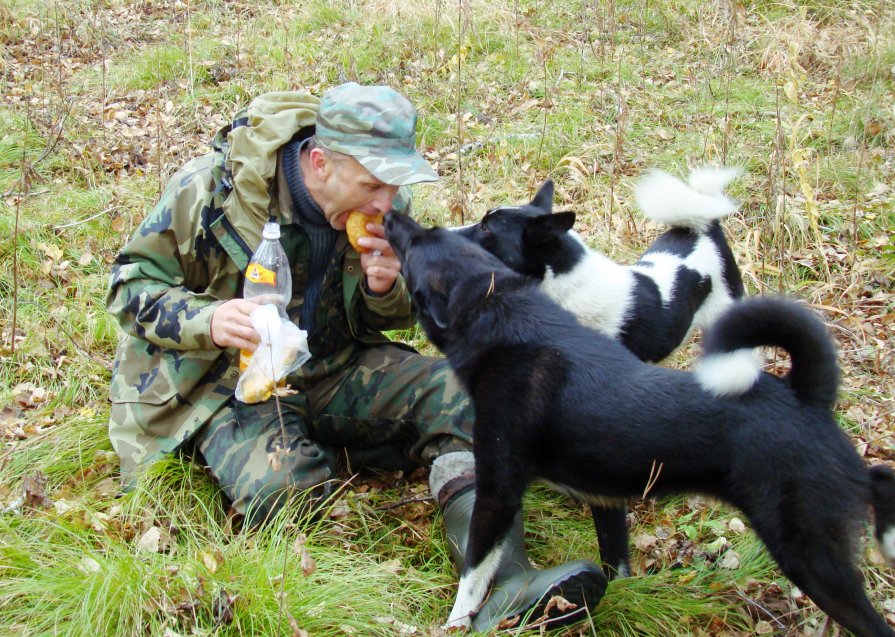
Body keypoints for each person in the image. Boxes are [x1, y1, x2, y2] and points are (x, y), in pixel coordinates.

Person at [106, 81, 607, 630]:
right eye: (372, 184)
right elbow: (129, 285)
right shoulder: (211, 193)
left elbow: (389, 318)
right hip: (232, 386)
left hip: (333, 368)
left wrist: (384, 287)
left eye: (394, 185)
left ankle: (505, 583)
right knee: (287, 492)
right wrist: (209, 320)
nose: (387, 204)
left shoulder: (383, 205)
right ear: (320, 163)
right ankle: (306, 452)